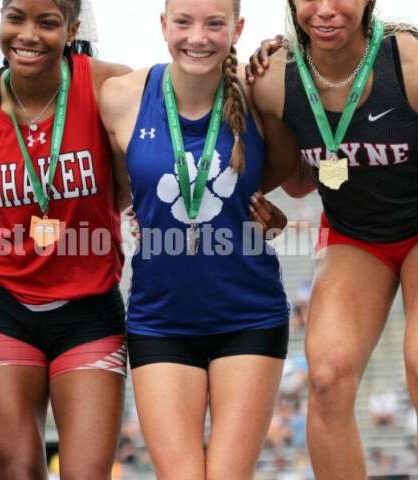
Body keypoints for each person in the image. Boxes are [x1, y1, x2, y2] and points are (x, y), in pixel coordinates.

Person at [247, 1, 418, 477]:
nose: (325, 10)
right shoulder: (272, 81)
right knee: (325, 378)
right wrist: (250, 205)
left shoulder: (417, 69)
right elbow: (301, 182)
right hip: (355, 236)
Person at [99, 0, 296, 478]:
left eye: (214, 24)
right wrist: (139, 214)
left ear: (238, 28)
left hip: (248, 316)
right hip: (160, 321)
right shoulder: (122, 96)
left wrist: (273, 217)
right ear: (163, 25)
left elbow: (293, 175)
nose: (198, 37)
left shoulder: (258, 94)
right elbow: (121, 187)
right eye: (183, 22)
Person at [0, 1, 132, 478]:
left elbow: (132, 189)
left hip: (89, 308)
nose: (27, 34)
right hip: (3, 307)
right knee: (20, 472)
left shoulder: (110, 86)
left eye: (47, 22)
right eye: (15, 18)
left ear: (71, 29)